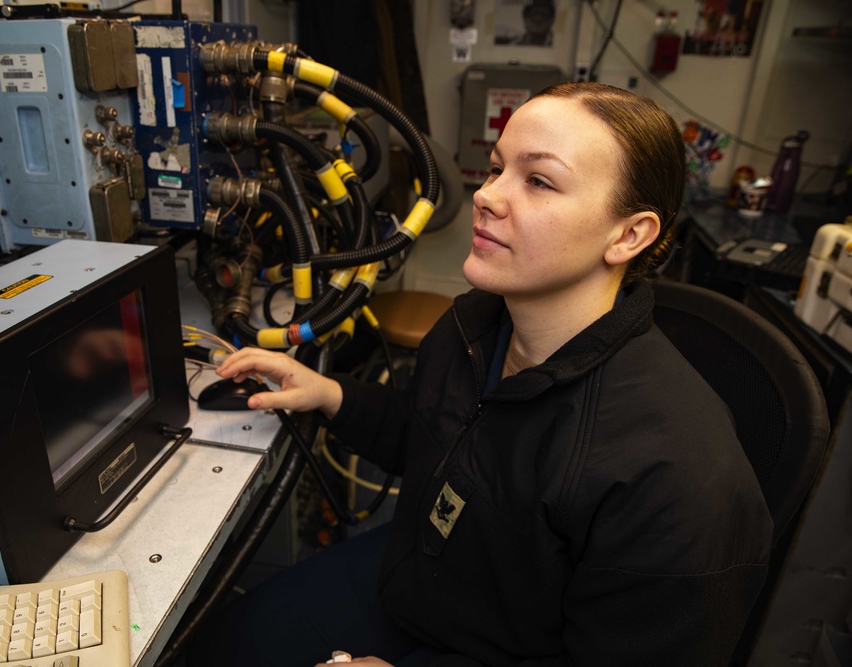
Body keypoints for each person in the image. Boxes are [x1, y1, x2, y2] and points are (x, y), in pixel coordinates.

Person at [183, 82, 772, 666]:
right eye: (495, 169)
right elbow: (437, 439)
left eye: (538, 180)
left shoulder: (677, 474)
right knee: (223, 644)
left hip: (500, 648)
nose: (487, 196)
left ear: (628, 235)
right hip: (422, 581)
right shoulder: (475, 325)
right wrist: (332, 395)